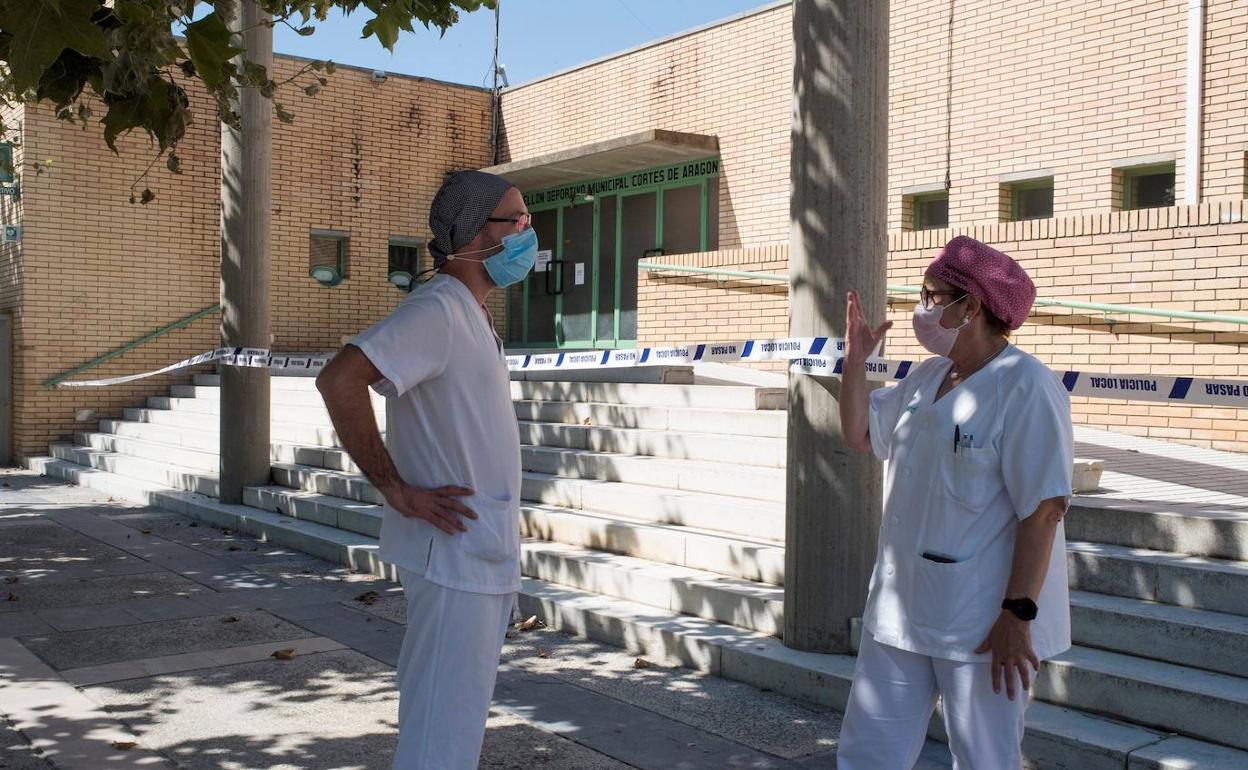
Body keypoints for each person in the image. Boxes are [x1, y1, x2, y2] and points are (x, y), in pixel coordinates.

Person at [316, 170, 536, 769]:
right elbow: (340, 380)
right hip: (455, 556)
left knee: (452, 728)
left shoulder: (472, 315)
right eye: (515, 220)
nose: (527, 232)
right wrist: (395, 489)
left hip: (477, 550)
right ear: (474, 235)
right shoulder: (439, 309)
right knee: (441, 732)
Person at [835, 235, 1073, 769]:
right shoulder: (927, 377)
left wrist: (1018, 616)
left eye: (932, 296)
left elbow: (1044, 510)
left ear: (971, 306)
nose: (922, 308)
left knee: (986, 759)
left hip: (980, 625)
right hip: (900, 611)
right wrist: (856, 361)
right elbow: (858, 433)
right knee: (867, 755)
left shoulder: (1026, 387)